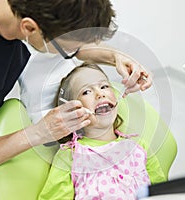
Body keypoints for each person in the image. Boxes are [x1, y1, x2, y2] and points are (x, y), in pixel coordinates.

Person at [0, 0, 151, 198]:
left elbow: (75, 46)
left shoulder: (23, 10)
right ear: (29, 28)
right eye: (68, 49)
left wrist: (114, 57)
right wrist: (40, 132)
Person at [38, 63, 165, 200]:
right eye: (86, 91)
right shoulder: (70, 155)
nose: (100, 94)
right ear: (73, 112)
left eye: (104, 86)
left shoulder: (139, 147)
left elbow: (164, 192)